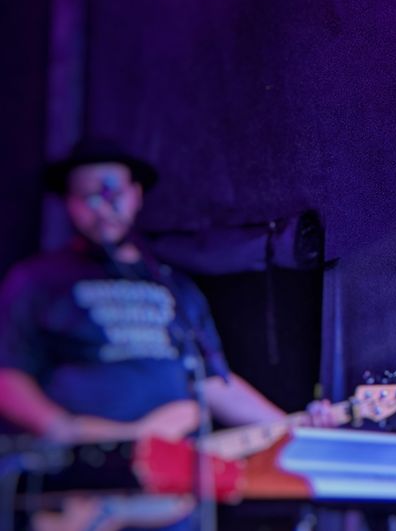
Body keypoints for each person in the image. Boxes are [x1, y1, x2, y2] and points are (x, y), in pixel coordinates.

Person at [0, 139, 333, 527]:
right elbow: (8, 375)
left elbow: (213, 384)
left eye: (111, 191)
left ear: (136, 194)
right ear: (68, 203)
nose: (100, 206)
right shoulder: (37, 281)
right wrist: (62, 428)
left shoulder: (175, 287)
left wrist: (293, 425)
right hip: (81, 479)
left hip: (168, 488)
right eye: (85, 195)